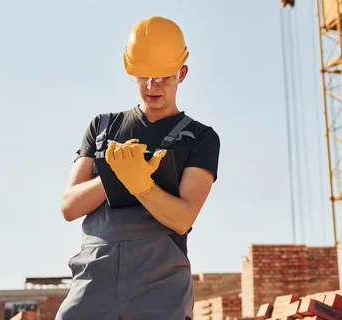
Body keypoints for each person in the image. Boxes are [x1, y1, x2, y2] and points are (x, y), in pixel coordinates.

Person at [56, 16, 220, 320]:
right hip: (94, 279)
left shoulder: (200, 138)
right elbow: (69, 207)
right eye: (143, 75)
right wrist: (113, 176)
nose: (152, 85)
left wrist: (142, 185)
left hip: (160, 288)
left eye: (163, 77)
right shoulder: (102, 128)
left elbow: (183, 218)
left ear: (182, 73)